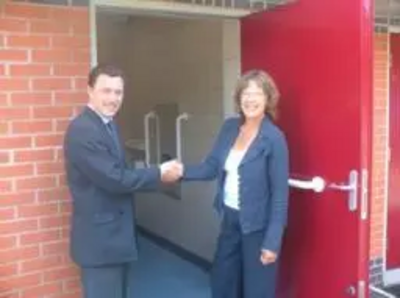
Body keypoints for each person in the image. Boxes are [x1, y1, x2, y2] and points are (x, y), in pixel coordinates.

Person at [170, 69, 289, 298]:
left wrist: (272, 242)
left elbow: (280, 195)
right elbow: (212, 166)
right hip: (230, 220)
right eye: (245, 93)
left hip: (258, 226)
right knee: (223, 283)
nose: (250, 99)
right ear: (238, 98)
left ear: (268, 99)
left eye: (256, 93)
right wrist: (182, 171)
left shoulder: (274, 139)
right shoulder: (230, 128)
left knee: (256, 290)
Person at [63, 64, 179, 298]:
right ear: (90, 90)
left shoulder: (108, 125)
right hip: (100, 245)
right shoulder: (83, 130)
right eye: (106, 91)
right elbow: (115, 179)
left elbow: (120, 171)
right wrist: (158, 172)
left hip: (114, 241)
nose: (113, 98)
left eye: (118, 92)